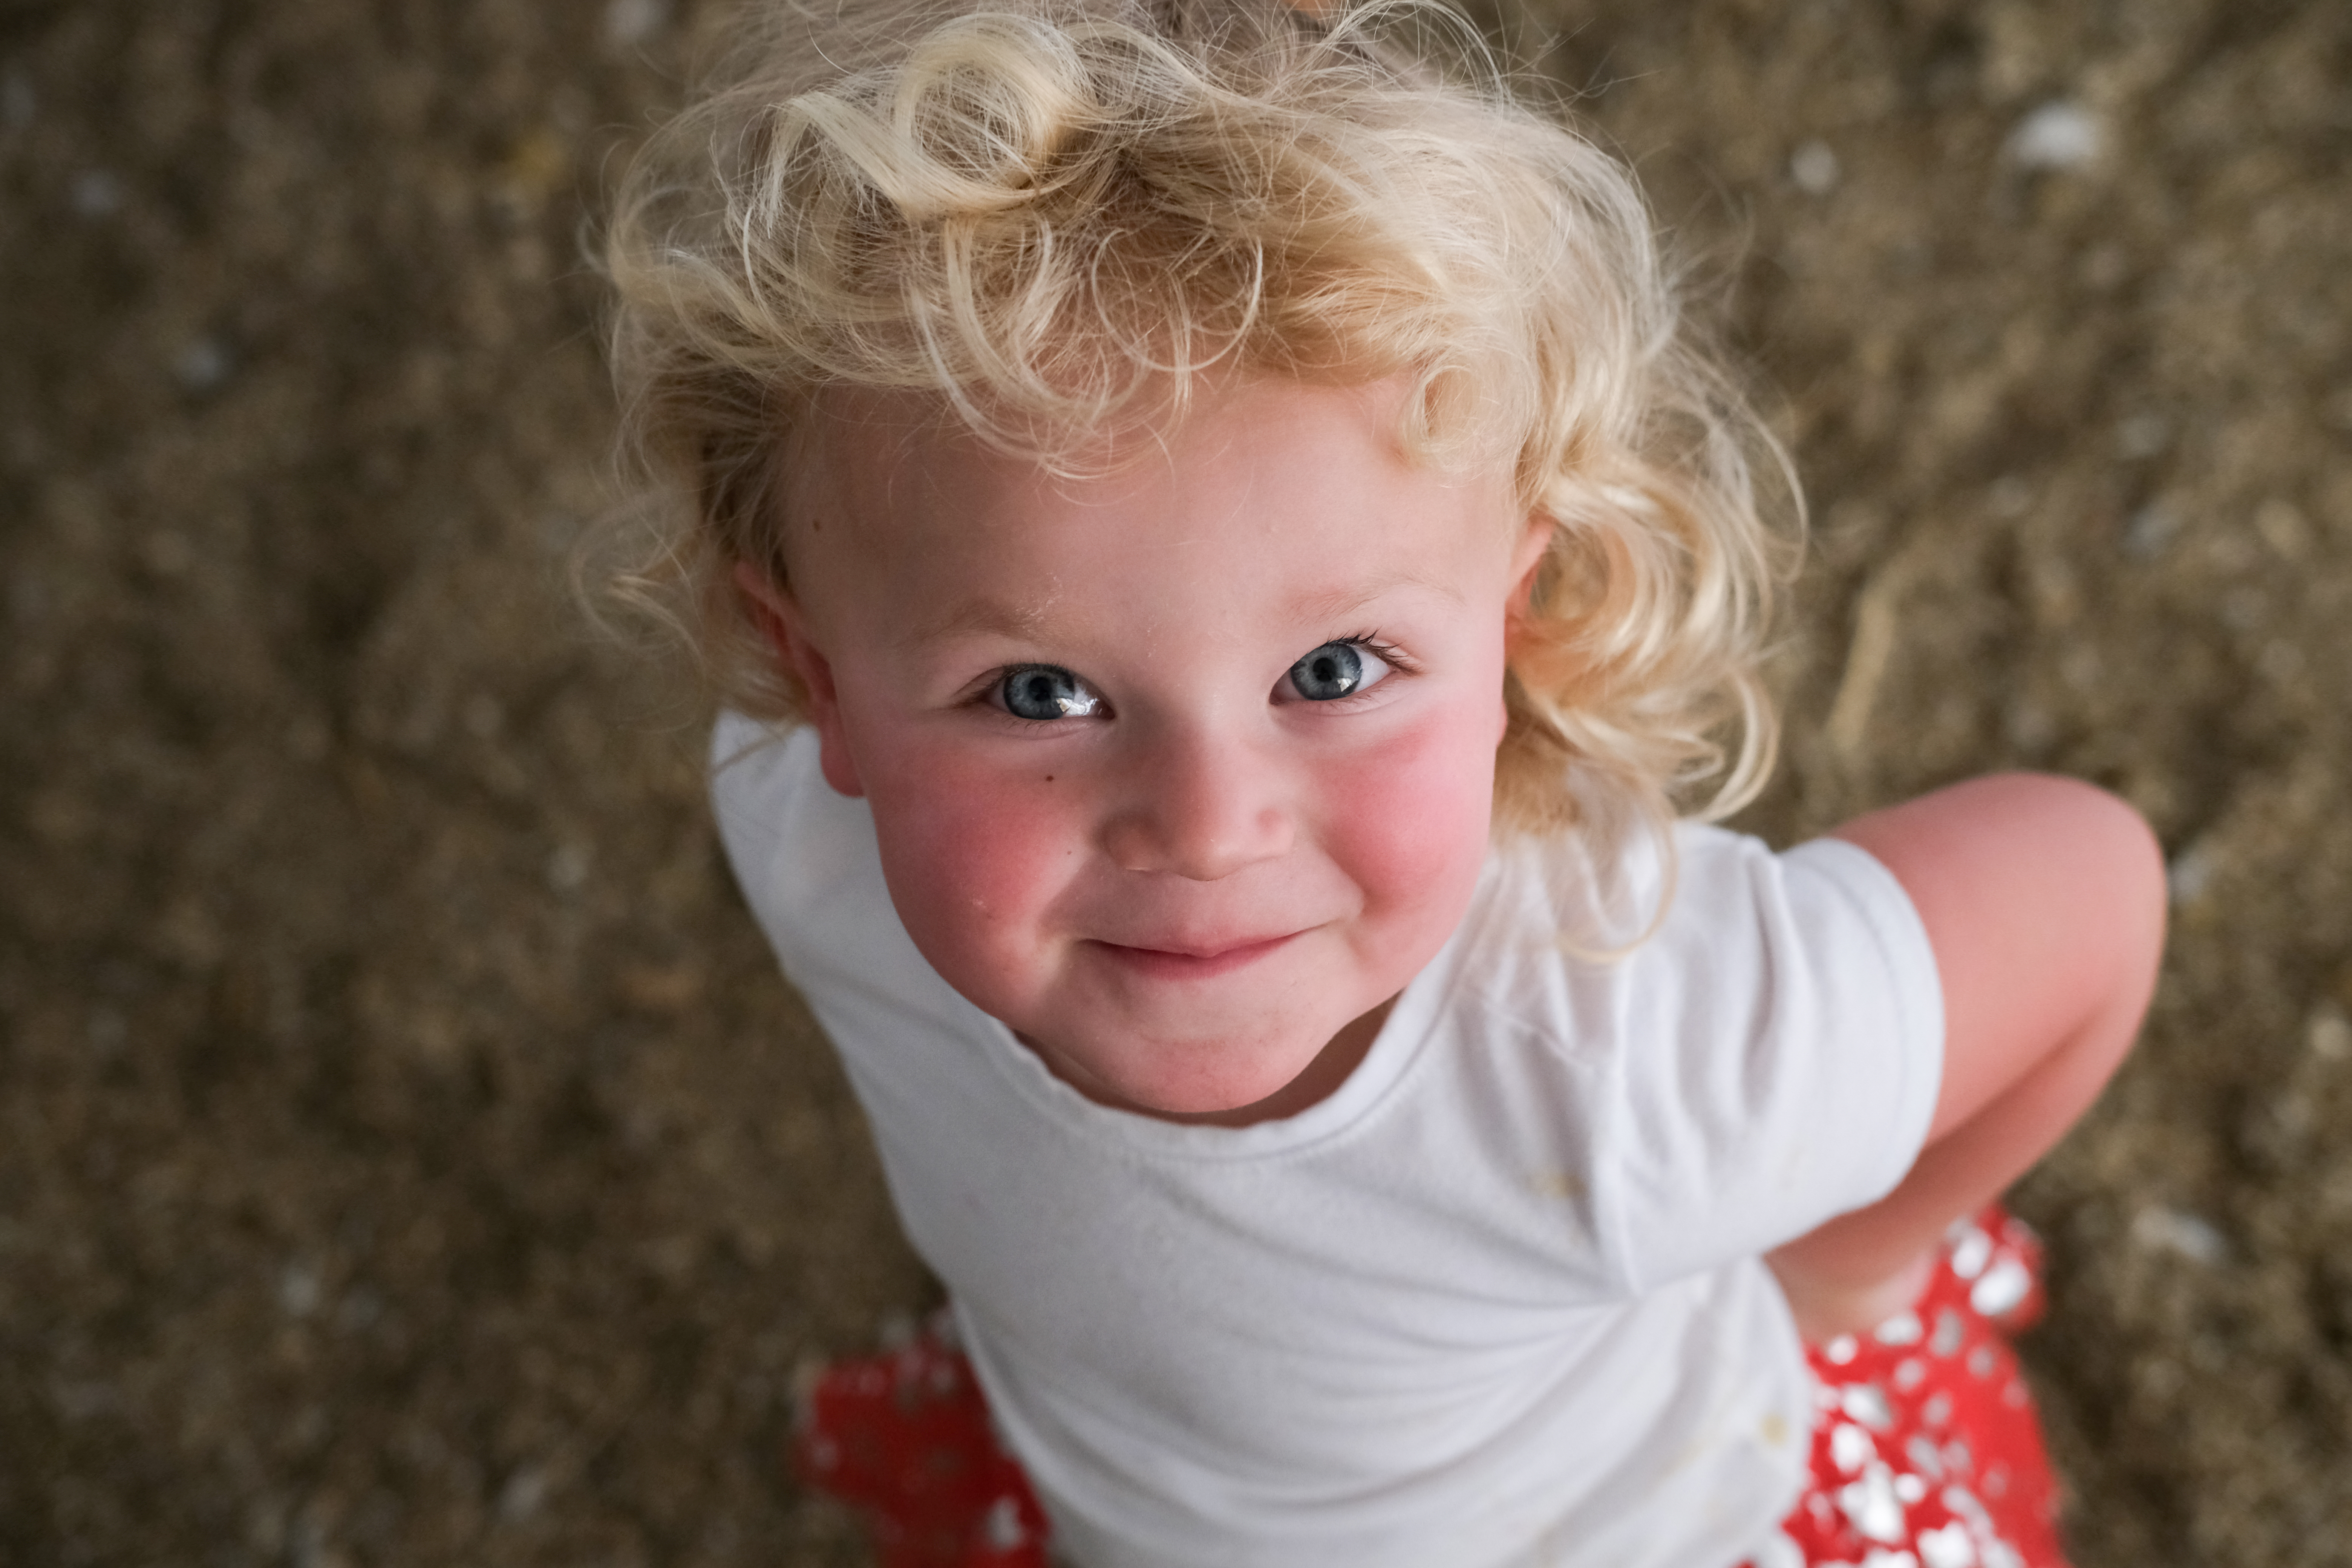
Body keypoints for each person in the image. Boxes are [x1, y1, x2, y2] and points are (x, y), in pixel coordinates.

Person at [597, 1, 2167, 1563]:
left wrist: (1841, 1274)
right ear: (823, 682)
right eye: (1041, 693)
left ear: (1514, 616)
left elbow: (2090, 888)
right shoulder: (800, 822)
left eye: (1334, 671)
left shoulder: (1637, 1065)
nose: (1209, 828)